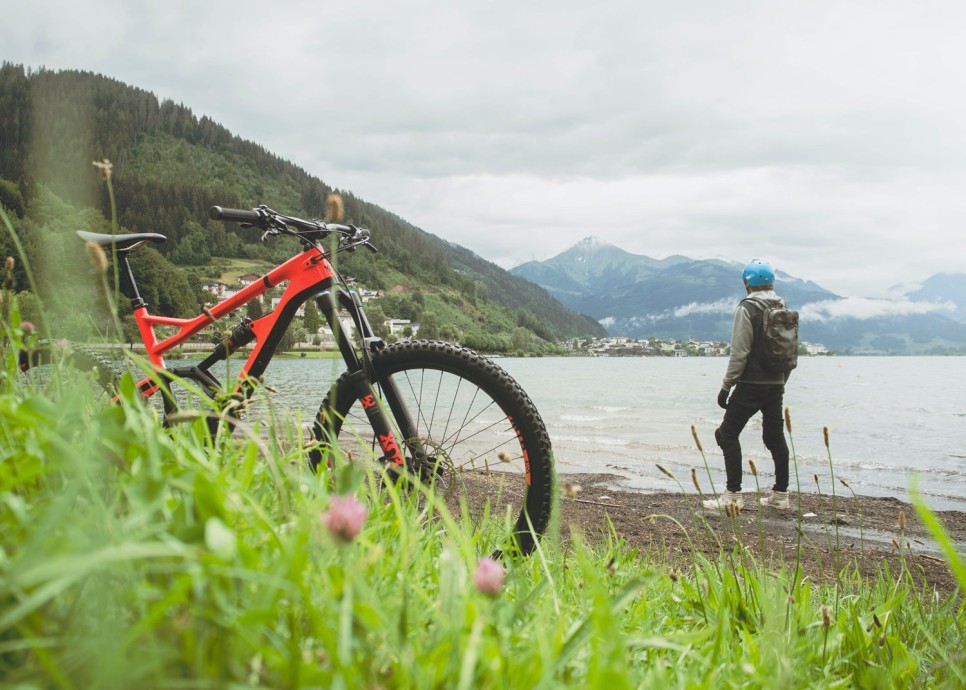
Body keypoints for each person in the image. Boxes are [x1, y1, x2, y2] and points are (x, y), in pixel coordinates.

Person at [703, 259, 791, 512]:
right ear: (772, 282)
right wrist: (781, 382)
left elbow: (739, 352)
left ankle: (733, 495)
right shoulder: (784, 308)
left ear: (746, 283)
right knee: (774, 437)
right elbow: (789, 352)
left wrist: (726, 386)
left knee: (726, 434)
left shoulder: (747, 308)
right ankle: (780, 495)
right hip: (776, 382)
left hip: (751, 383)